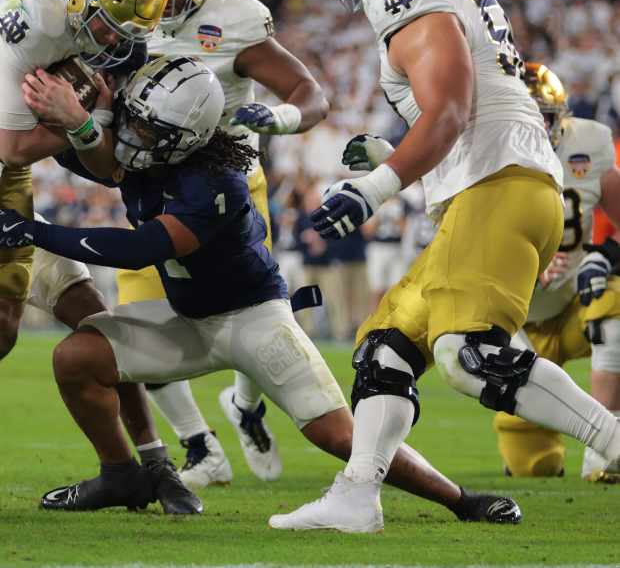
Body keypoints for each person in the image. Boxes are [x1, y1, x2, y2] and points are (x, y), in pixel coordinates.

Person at [0, 54, 523, 526]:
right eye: (132, 115)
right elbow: (82, 149)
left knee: (339, 435)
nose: (131, 132)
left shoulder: (214, 185)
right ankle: (120, 473)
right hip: (189, 320)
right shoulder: (158, 149)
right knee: (76, 357)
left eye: (144, 125)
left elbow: (139, 250)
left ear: (182, 137)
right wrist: (70, 113)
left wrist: (35, 231)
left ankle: (460, 499)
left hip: (251, 319)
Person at [268, 0, 620, 532]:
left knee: (469, 354)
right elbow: (463, 106)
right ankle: (357, 493)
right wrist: (390, 153)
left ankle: (614, 435)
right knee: (387, 348)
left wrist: (374, 188)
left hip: (500, 184)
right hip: (492, 183)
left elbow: (451, 110)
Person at [115, 0, 330, 487]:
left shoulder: (231, 21)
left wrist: (280, 118)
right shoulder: (118, 18)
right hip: (154, 190)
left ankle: (246, 403)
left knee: (252, 317)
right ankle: (199, 446)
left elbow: (310, 94)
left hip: (225, 189)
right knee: (136, 322)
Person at [0, 0, 201, 514]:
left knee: (94, 319)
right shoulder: (29, 17)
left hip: (10, 178)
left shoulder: (111, 27)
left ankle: (145, 466)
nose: (114, 42)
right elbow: (13, 145)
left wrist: (83, 124)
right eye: (109, 26)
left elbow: (108, 167)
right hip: (9, 158)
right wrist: (80, 115)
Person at [493, 63, 620, 481]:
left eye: (542, 115)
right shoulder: (480, 152)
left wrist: (606, 255)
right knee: (536, 467)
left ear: (559, 115)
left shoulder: (589, 142)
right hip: (513, 318)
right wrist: (528, 268)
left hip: (573, 303)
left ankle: (605, 448)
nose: (534, 126)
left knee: (615, 299)